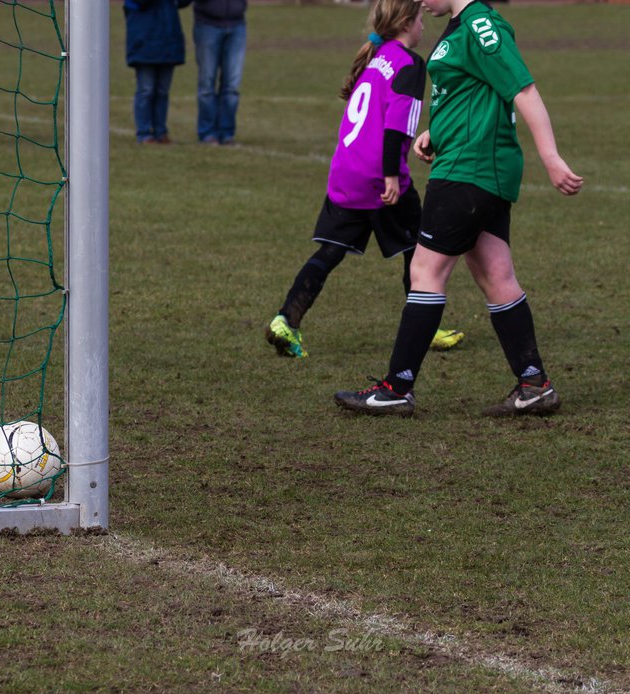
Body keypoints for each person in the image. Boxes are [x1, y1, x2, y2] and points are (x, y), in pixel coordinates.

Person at [335, 0, 582, 417]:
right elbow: (474, 91)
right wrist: (437, 130)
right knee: (495, 274)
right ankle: (534, 384)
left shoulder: (481, 24)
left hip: (471, 170)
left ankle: (397, 387)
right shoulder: (461, 24)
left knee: (425, 272)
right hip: (473, 165)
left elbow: (522, 88)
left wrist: (551, 157)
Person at [265, 0, 463, 359]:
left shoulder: (377, 56)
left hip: (346, 171)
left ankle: (286, 320)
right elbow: (395, 128)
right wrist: (390, 175)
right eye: (420, 20)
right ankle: (427, 329)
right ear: (406, 22)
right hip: (380, 175)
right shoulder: (410, 64)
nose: (423, 27)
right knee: (418, 251)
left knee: (330, 251)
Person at [125, 0, 193, 145]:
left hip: (168, 40)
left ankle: (160, 131)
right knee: (146, 89)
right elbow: (138, 4)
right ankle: (144, 133)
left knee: (162, 91)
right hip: (143, 40)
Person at [192, 0, 246, 145]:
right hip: (207, 24)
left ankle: (226, 132)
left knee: (232, 85)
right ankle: (207, 132)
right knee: (207, 82)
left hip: (237, 24)